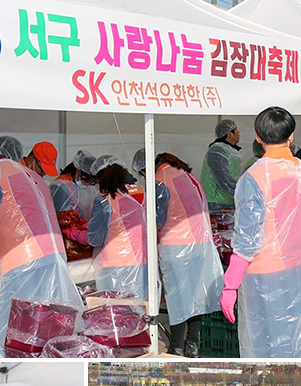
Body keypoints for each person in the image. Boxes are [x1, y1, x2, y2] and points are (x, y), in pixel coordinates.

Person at [221, 107, 301, 358]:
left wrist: (230, 285)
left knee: (271, 343)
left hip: (268, 274)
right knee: (300, 338)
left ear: (258, 137)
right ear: (291, 136)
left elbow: (246, 240)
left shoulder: (254, 177)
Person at [0, 141, 81, 343]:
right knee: (50, 326)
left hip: (23, 261)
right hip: (54, 255)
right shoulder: (31, 176)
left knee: (17, 330)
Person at [133, 149, 224, 357]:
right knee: (195, 298)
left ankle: (177, 347)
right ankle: (192, 345)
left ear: (145, 169)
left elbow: (157, 219)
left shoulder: (159, 181)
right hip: (201, 244)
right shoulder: (185, 174)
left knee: (179, 299)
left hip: (178, 247)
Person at [64, 155, 147, 299]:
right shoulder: (141, 191)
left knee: (116, 313)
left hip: (115, 267)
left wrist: (74, 233)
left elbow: (95, 239)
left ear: (101, 178)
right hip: (143, 261)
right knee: (140, 310)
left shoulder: (104, 199)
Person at [201, 119, 243, 211]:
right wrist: (242, 194)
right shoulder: (217, 151)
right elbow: (224, 179)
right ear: (229, 134)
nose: (239, 132)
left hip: (226, 201)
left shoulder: (229, 150)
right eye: (236, 130)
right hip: (216, 202)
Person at [50, 150, 98, 220]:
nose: (88, 184)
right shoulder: (60, 186)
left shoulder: (89, 189)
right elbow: (61, 217)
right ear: (78, 171)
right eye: (86, 180)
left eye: (92, 182)